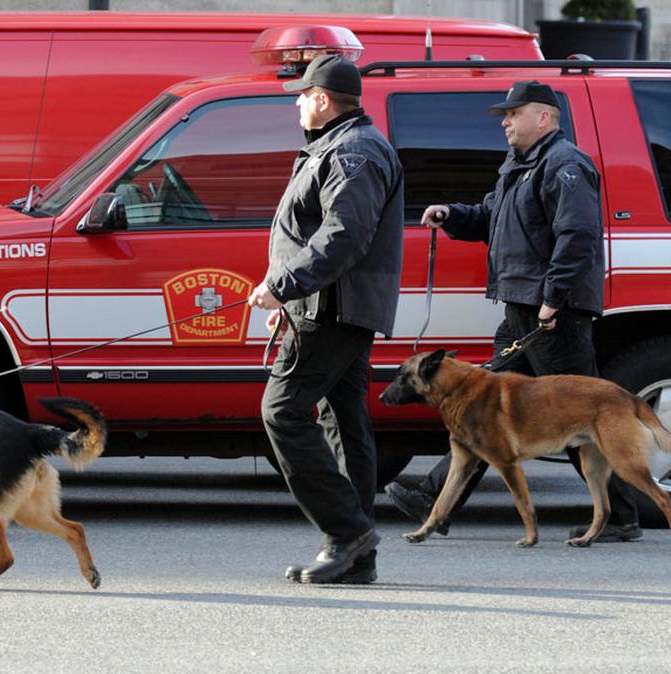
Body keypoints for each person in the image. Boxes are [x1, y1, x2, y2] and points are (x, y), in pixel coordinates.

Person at [387, 80, 642, 543]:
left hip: (551, 313)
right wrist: (454, 215)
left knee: (578, 416)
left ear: (543, 117)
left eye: (513, 113)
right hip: (521, 308)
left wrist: (554, 296)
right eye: (503, 114)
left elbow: (577, 235)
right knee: (479, 409)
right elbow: (492, 217)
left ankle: (621, 516)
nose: (504, 121)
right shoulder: (519, 167)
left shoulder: (565, 165)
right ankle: (434, 502)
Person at [248, 54, 404, 584]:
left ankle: (347, 533)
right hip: (324, 305)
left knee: (283, 412)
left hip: (332, 309)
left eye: (301, 94)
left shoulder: (354, 150)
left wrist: (284, 287)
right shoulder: (338, 146)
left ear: (322, 99)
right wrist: (289, 301)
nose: (295, 102)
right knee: (344, 423)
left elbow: (343, 236)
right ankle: (356, 555)